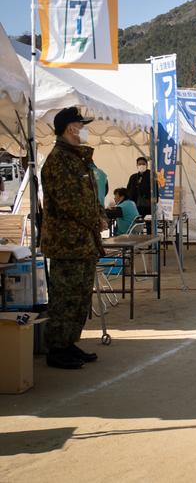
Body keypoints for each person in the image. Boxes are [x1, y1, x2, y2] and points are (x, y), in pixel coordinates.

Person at [40, 107, 107, 369]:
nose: (84, 128)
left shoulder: (75, 158)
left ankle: (69, 342)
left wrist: (99, 214)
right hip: (66, 243)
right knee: (65, 297)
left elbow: (91, 196)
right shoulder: (59, 160)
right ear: (70, 127)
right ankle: (56, 348)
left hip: (82, 241)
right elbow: (71, 203)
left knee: (79, 297)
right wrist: (95, 219)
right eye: (81, 124)